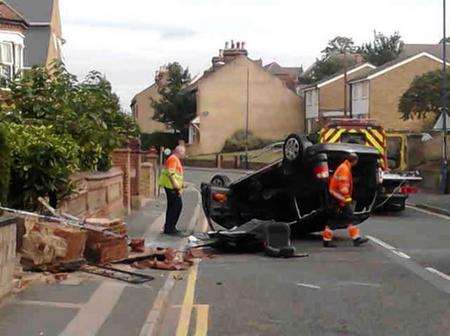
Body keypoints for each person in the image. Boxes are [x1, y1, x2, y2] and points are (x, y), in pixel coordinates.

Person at [322, 152, 369, 248]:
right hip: (339, 198)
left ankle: (328, 240)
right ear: (355, 161)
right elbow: (343, 186)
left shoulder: (344, 167)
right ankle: (356, 239)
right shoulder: (345, 169)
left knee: (339, 219)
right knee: (348, 218)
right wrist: (347, 198)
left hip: (337, 197)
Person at [158, 145, 186, 234]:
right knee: (176, 207)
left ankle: (169, 227)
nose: (184, 154)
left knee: (173, 207)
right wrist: (176, 186)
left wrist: (181, 185)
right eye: (183, 152)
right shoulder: (173, 159)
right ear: (179, 152)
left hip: (171, 187)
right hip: (172, 187)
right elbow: (171, 173)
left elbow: (176, 174)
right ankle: (170, 229)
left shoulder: (174, 158)